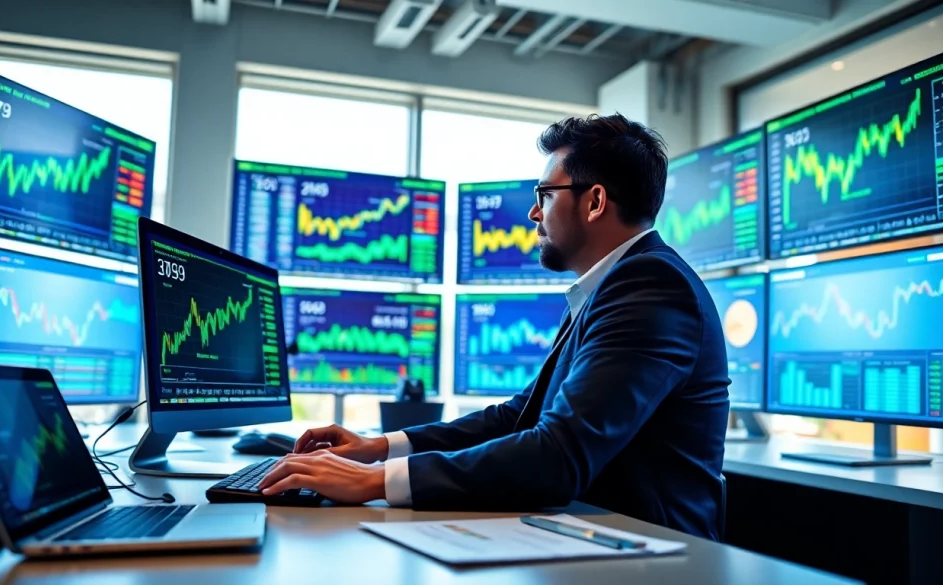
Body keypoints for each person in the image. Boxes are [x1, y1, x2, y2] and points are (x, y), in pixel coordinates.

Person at [258, 113, 731, 540]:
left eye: (545, 194)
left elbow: (557, 456)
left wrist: (373, 481)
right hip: (592, 532)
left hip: (651, 557)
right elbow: (518, 417)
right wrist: (378, 449)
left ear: (595, 202)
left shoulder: (649, 284)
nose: (533, 212)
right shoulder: (610, 287)